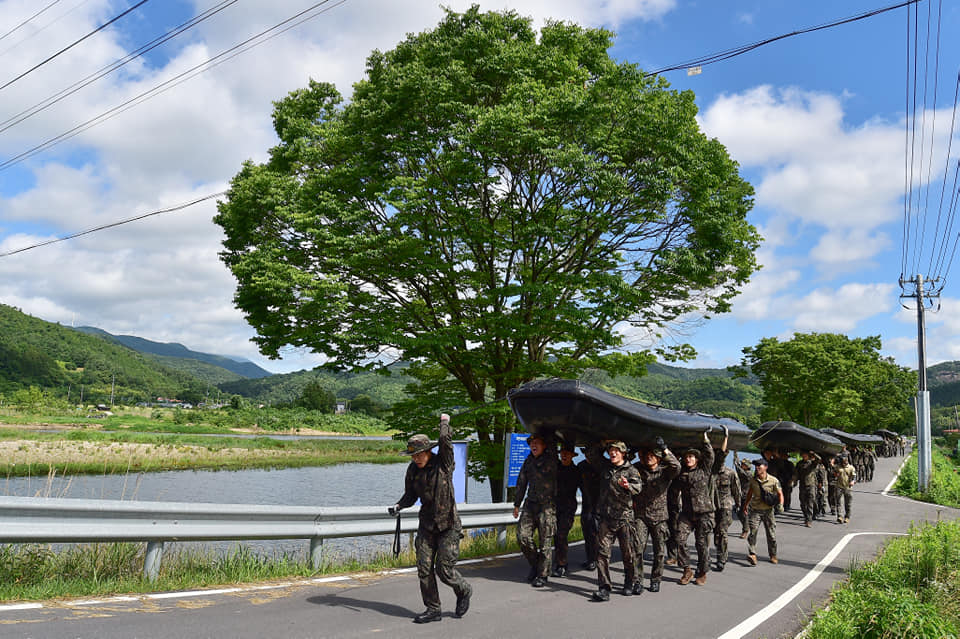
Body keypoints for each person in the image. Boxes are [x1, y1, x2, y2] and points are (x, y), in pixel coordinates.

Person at [390, 414, 472, 623]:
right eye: (413, 455)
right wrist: (399, 505)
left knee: (444, 570)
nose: (416, 458)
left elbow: (445, 442)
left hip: (448, 525)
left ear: (428, 452)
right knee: (424, 569)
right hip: (426, 525)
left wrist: (444, 422)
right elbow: (410, 495)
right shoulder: (412, 470)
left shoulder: (443, 464)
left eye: (419, 454)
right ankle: (433, 609)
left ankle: (463, 590)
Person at [585, 440, 643, 601]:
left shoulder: (631, 470)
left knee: (628, 554)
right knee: (602, 554)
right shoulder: (605, 466)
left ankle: (629, 582)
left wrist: (627, 486)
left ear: (623, 453)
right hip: (606, 518)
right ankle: (604, 588)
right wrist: (602, 443)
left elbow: (638, 488)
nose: (613, 453)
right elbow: (590, 453)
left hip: (624, 519)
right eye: (611, 450)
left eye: (617, 451)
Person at [633, 436, 680, 593]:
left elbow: (677, 466)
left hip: (659, 518)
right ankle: (638, 580)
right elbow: (626, 466)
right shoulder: (638, 469)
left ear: (659, 458)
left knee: (659, 552)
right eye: (647, 455)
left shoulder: (665, 472)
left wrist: (665, 448)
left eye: (653, 455)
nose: (649, 457)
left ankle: (656, 579)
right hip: (641, 516)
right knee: (638, 549)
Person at [673, 430, 720, 586]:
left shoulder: (704, 470)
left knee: (701, 544)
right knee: (679, 540)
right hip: (687, 513)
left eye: (691, 457)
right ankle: (687, 570)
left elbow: (710, 456)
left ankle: (702, 572)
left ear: (697, 459)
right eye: (686, 457)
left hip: (704, 513)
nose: (688, 459)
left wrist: (706, 441)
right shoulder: (681, 473)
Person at [512, 432, 558, 587]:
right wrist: (516, 504)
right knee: (522, 537)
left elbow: (552, 441)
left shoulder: (551, 459)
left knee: (545, 542)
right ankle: (536, 564)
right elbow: (521, 482)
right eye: (532, 443)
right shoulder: (528, 462)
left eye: (537, 443)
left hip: (547, 506)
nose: (534, 445)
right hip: (530, 504)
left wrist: (546, 425)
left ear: (544, 446)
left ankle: (543, 575)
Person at [742, 457, 783, 566]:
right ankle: (752, 554)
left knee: (771, 535)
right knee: (753, 533)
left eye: (759, 466)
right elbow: (750, 493)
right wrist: (745, 505)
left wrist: (781, 505)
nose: (757, 468)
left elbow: (780, 494)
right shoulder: (753, 480)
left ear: (765, 467)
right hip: (755, 511)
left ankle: (773, 554)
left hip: (768, 512)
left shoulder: (773, 480)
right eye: (756, 466)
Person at [553, 441, 581, 578]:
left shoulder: (576, 471)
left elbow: (585, 489)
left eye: (567, 454)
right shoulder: (554, 468)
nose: (564, 455)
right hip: (554, 506)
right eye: (562, 453)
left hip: (568, 508)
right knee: (554, 535)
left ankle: (562, 564)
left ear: (572, 456)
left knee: (561, 534)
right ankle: (557, 559)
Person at [712, 446, 740, 571]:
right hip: (711, 507)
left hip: (725, 507)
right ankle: (711, 555)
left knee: (722, 532)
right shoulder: (710, 473)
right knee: (711, 532)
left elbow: (736, 490)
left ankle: (721, 559)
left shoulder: (730, 473)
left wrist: (739, 505)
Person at [577, 449, 603, 571]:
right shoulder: (581, 466)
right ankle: (590, 559)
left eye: (591, 453)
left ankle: (598, 559)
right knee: (587, 532)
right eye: (586, 453)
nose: (588, 456)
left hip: (600, 505)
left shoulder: (602, 466)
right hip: (587, 505)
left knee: (597, 533)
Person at [794, 451, 819, 527]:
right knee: (802, 503)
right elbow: (796, 474)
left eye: (805, 455)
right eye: (803, 455)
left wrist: (814, 454)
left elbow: (819, 459)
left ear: (808, 455)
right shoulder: (799, 464)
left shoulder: (812, 463)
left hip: (811, 485)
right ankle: (806, 516)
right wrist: (793, 481)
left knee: (810, 502)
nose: (804, 456)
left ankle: (809, 520)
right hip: (802, 485)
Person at [733, 453, 753, 538]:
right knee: (738, 512)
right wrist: (735, 455)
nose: (741, 465)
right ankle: (746, 526)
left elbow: (739, 471)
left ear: (747, 466)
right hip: (740, 495)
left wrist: (736, 462)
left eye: (743, 464)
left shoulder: (748, 474)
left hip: (747, 496)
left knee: (743, 513)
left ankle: (745, 530)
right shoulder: (743, 472)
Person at [835, 454, 856, 524]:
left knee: (848, 503)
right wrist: (835, 475)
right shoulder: (838, 467)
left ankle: (847, 517)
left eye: (845, 462)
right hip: (839, 486)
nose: (844, 463)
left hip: (847, 487)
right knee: (838, 502)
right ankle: (839, 516)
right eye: (843, 462)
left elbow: (854, 476)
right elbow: (833, 473)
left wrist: (852, 481)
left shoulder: (851, 468)